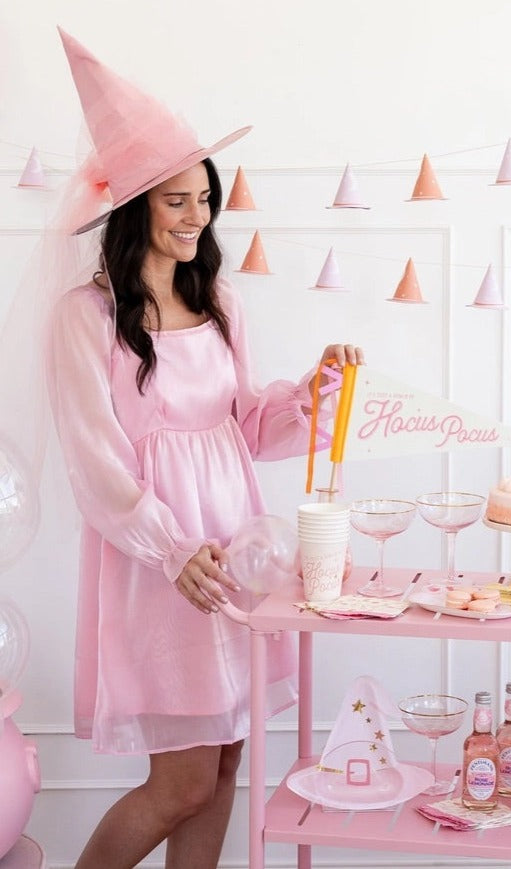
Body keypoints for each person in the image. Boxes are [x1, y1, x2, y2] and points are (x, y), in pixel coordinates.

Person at [45, 30, 362, 869]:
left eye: (203, 198)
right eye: (176, 200)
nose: (197, 216)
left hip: (236, 550)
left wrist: (312, 389)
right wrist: (173, 548)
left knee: (223, 763)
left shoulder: (216, 299)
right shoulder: (87, 316)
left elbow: (246, 427)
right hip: (164, 564)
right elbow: (95, 464)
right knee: (180, 779)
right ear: (135, 207)